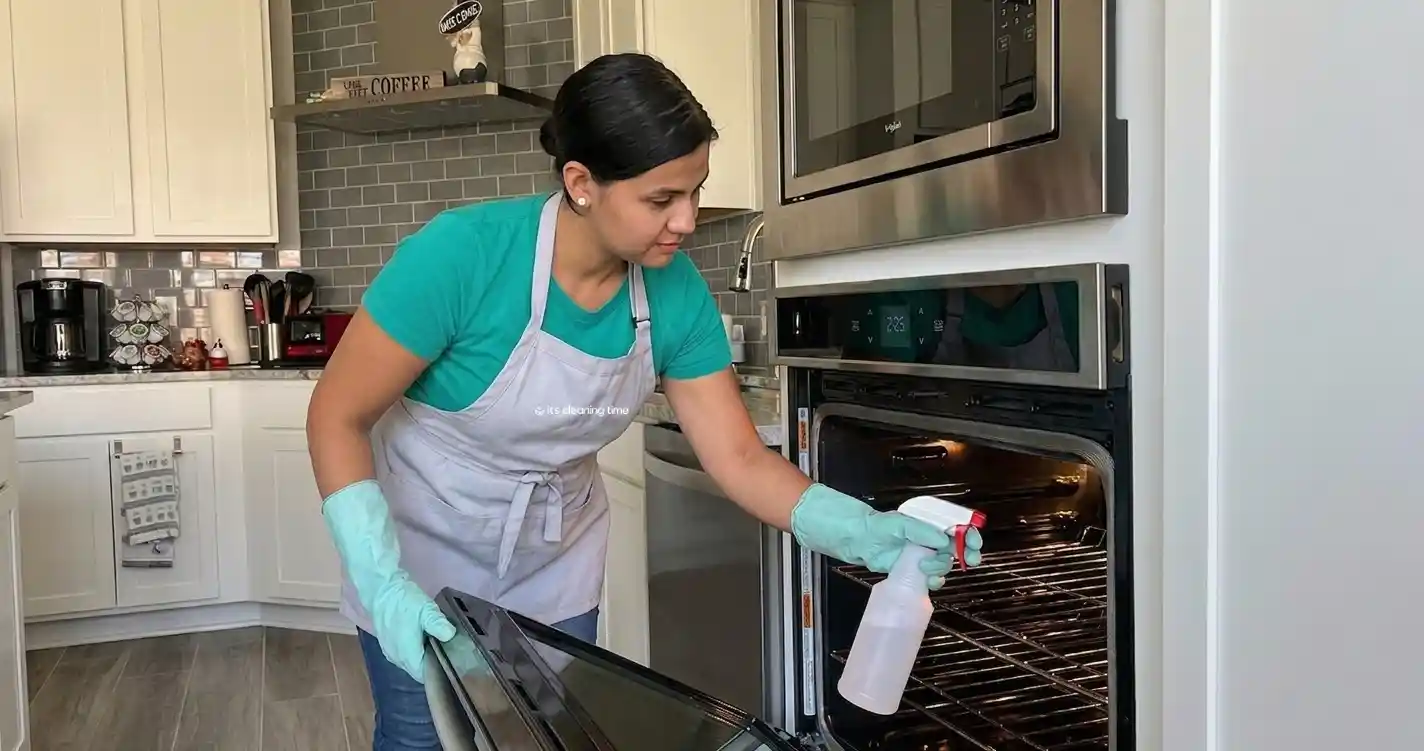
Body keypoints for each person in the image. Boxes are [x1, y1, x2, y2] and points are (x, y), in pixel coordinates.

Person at [306, 52, 984, 749]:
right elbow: (336, 413)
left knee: (546, 738)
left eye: (695, 191)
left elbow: (741, 457)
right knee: (421, 736)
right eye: (662, 199)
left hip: (554, 564)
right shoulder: (463, 256)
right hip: (422, 553)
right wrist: (383, 582)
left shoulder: (674, 291)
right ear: (581, 184)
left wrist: (861, 530)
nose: (687, 219)